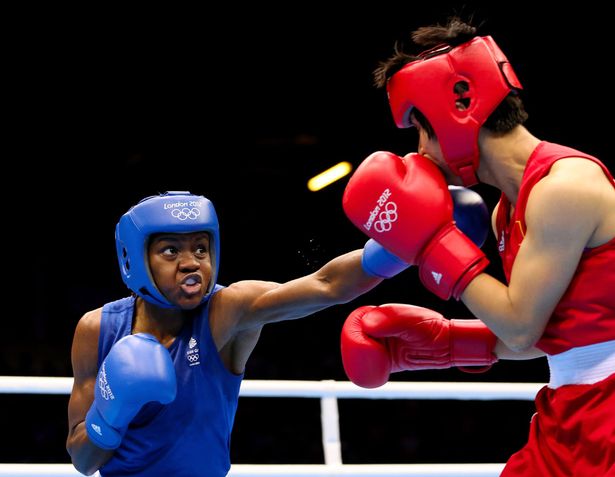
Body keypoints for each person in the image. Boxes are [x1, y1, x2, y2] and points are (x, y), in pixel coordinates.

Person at [340, 17, 615, 476]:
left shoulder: (567, 186)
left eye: (420, 130)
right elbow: (543, 335)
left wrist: (432, 243)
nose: (420, 152)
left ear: (458, 110)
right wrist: (444, 343)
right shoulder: (506, 210)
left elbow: (523, 327)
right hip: (568, 412)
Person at [65, 189, 483, 476]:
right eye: (171, 250)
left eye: (201, 248)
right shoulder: (98, 329)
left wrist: (404, 244)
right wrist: (111, 411)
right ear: (136, 260)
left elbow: (325, 285)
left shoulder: (226, 311)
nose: (192, 263)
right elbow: (83, 461)